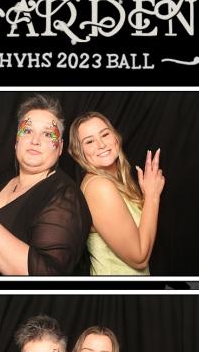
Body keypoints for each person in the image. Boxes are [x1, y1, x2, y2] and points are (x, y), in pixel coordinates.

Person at [0, 94, 91, 275]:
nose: (35, 140)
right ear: (16, 141)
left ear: (59, 147)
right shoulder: (3, 179)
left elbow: (46, 276)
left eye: (47, 134)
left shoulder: (65, 198)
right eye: (27, 131)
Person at [68, 111, 164, 276]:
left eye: (105, 134)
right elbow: (139, 258)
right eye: (89, 141)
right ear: (79, 153)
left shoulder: (115, 180)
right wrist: (152, 196)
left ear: (116, 137)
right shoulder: (99, 187)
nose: (101, 144)